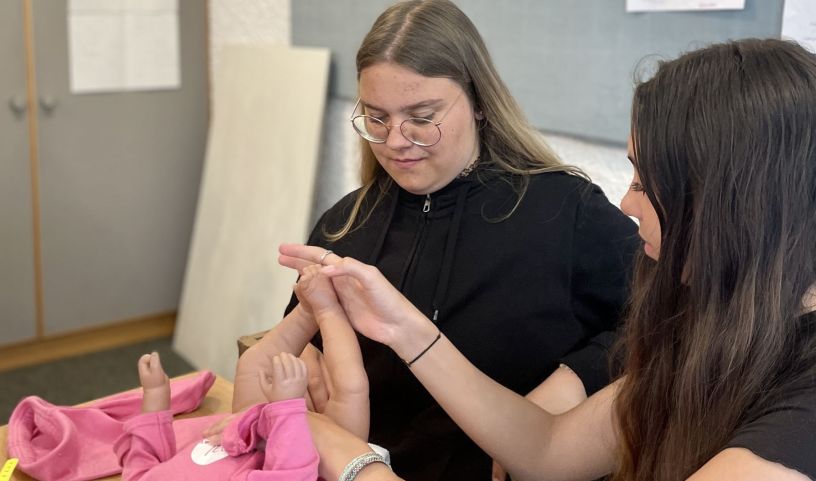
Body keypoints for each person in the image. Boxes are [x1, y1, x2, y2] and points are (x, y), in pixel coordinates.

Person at [280, 38, 816, 481]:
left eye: (645, 181)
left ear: (731, 201)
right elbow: (549, 450)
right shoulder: (715, 327)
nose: (628, 203)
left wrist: (358, 462)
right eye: (377, 117)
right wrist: (406, 330)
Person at [233, 1, 638, 480]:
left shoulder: (565, 210)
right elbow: (298, 343)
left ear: (479, 102)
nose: (396, 141)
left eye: (422, 117)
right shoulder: (345, 225)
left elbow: (669, 321)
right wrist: (302, 358)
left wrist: (575, 381)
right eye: (377, 118)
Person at [118, 266, 370, 481]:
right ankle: (329, 310)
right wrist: (285, 406)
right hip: (310, 455)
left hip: (246, 424)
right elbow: (289, 473)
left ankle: (307, 309)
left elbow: (140, 466)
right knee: (349, 390)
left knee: (253, 364)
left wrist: (155, 400)